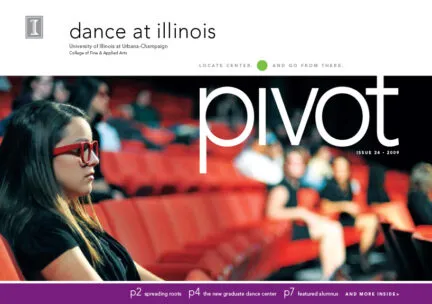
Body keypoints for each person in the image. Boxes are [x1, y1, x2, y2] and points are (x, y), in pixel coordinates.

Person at [0, 101, 162, 281]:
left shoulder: (73, 218)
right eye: (80, 149)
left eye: (93, 148)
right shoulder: (42, 230)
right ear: (40, 157)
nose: (94, 160)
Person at [266, 147, 348, 280]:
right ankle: (329, 277)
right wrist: (300, 213)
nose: (298, 167)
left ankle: (336, 273)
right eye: (293, 163)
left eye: (300, 163)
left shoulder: (295, 185)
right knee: (330, 230)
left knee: (335, 227)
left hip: (294, 228)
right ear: (285, 165)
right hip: (286, 232)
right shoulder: (281, 188)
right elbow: (271, 212)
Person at [68, 77, 126, 202]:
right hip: (71, 191)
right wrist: (107, 191)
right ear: (88, 95)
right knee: (113, 197)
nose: (107, 99)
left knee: (122, 192)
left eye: (107, 94)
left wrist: (107, 188)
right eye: (102, 94)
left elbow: (96, 173)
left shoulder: (94, 131)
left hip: (88, 185)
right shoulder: (73, 128)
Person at [320, 156, 379, 271]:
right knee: (371, 221)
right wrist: (344, 206)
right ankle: (363, 261)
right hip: (335, 222)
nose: (341, 173)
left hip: (348, 219)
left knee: (373, 220)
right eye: (338, 169)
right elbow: (325, 207)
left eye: (344, 170)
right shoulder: (329, 185)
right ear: (333, 170)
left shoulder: (350, 184)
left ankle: (364, 257)